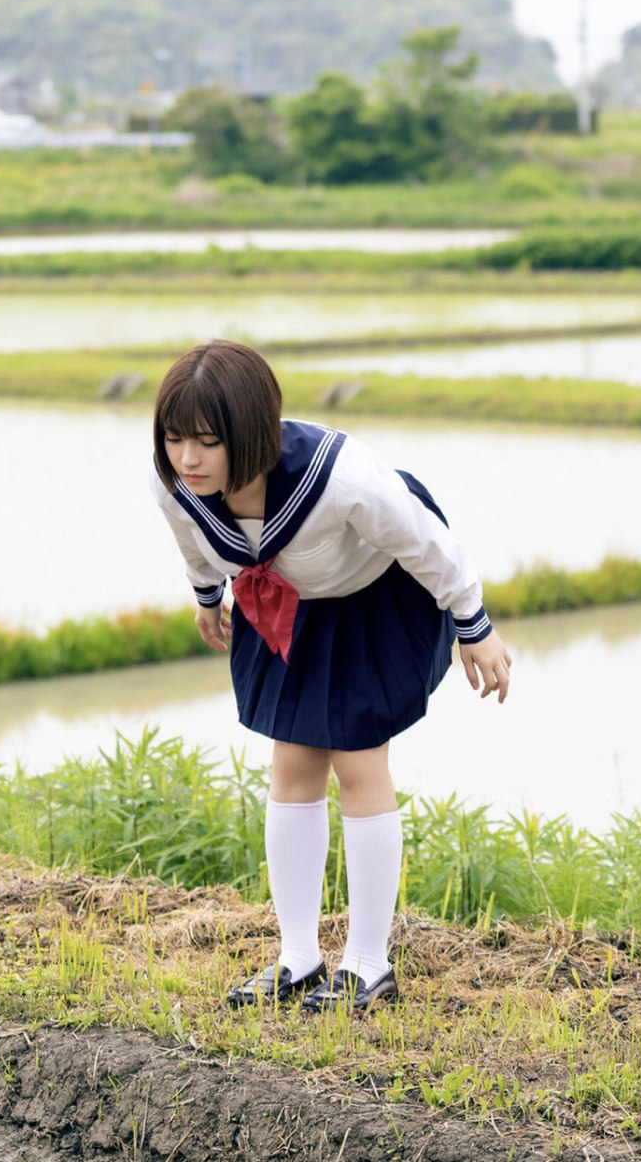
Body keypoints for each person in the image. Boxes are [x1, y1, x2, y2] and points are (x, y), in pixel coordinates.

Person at [150, 339, 511, 1015]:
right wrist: (207, 596)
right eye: (174, 439)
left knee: (358, 763)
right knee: (290, 766)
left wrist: (475, 624)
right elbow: (190, 539)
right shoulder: (175, 481)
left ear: (251, 432)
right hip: (285, 606)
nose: (187, 458)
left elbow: (424, 539)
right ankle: (299, 958)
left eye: (206, 441)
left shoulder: (339, 475)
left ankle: (369, 965)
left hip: (372, 601)